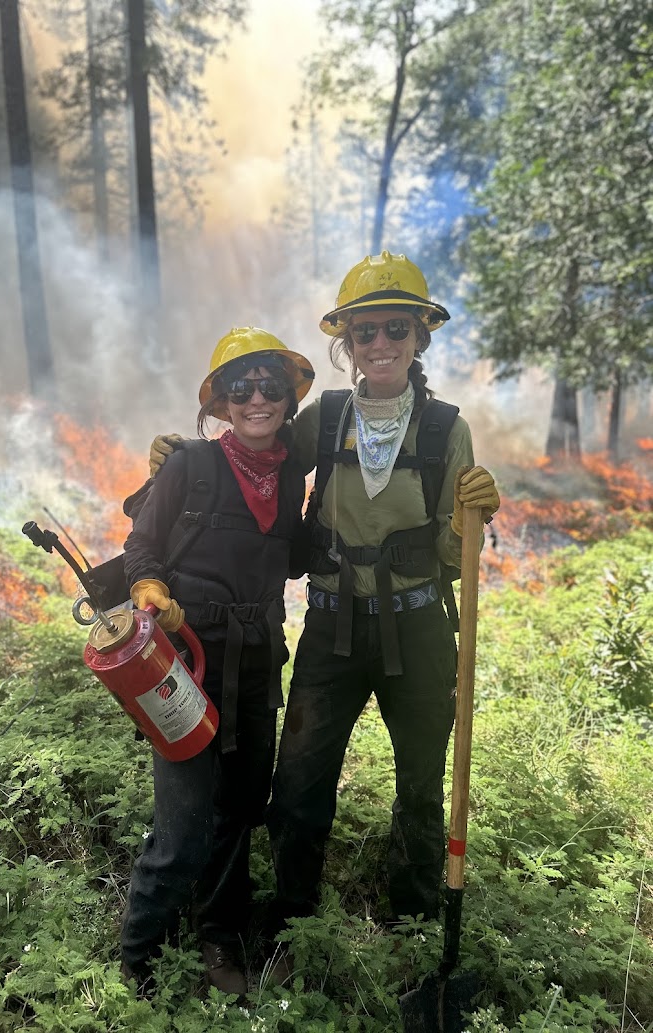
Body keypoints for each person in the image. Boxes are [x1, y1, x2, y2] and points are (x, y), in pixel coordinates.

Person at [149, 252, 500, 951]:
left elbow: (451, 559)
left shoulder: (444, 429)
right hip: (331, 629)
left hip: (418, 630)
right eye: (364, 332)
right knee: (301, 782)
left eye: (395, 329)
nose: (379, 345)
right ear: (346, 342)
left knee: (422, 784)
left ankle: (415, 915)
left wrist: (470, 522)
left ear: (419, 336)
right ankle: (291, 912)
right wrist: (190, 460)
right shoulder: (325, 416)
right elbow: (257, 454)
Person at [120, 326, 314, 997]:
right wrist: (150, 588)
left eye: (270, 385)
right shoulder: (189, 465)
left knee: (239, 808)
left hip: (259, 661)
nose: (256, 397)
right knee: (182, 822)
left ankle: (217, 935)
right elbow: (141, 546)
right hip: (187, 666)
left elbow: (291, 554)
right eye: (241, 386)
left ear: (289, 398)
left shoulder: (292, 472)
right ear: (221, 402)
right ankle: (139, 953)